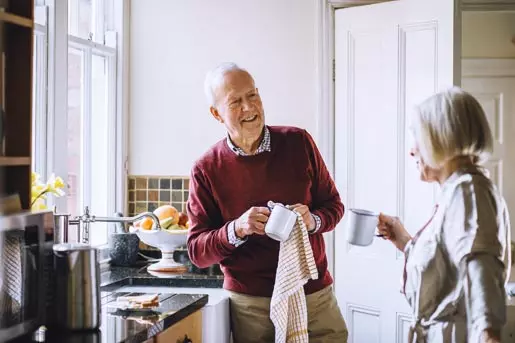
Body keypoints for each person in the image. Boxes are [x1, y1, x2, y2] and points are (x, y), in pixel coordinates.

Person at [186, 62, 348, 343]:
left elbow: (333, 205)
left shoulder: (298, 142)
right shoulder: (206, 169)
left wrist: (313, 221)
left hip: (314, 295)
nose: (249, 108)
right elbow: (197, 252)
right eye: (236, 101)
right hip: (251, 305)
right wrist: (236, 229)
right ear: (216, 113)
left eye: (253, 95)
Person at [377, 87, 511, 343]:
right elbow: (449, 272)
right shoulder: (459, 190)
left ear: (441, 137)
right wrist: (406, 242)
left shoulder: (467, 191)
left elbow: (480, 269)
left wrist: (489, 334)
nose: (412, 151)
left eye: (417, 137)